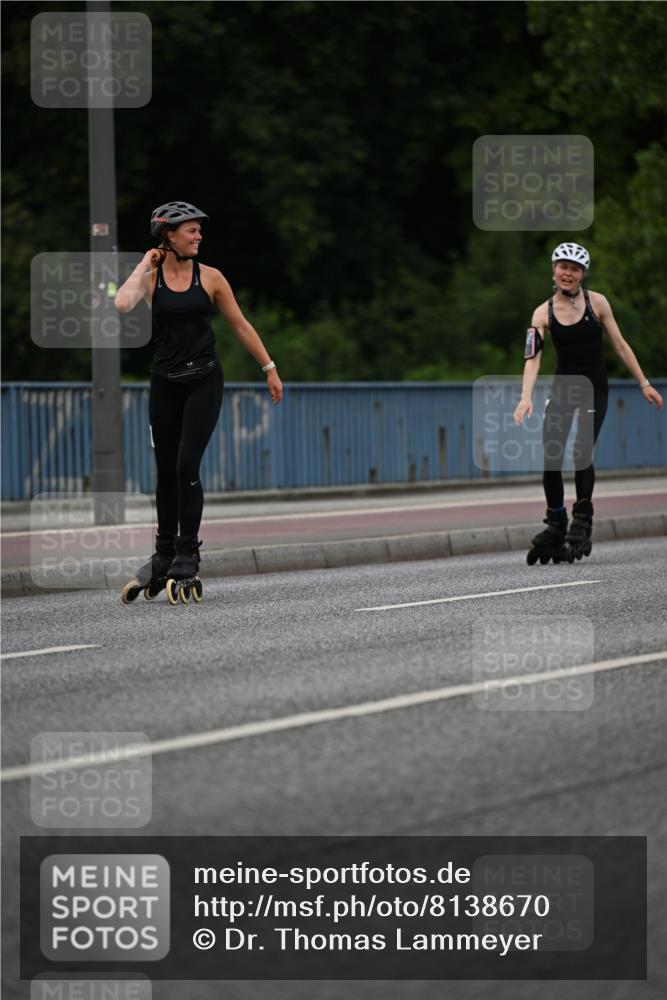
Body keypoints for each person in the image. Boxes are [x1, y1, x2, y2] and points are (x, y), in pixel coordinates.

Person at [116, 201, 283, 603]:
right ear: (168, 236)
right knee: (164, 472)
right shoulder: (151, 278)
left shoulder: (210, 278)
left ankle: (187, 553)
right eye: (190, 230)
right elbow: (121, 305)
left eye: (198, 230)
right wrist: (144, 263)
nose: (198, 236)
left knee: (186, 465)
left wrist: (269, 367)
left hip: (203, 382)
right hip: (164, 384)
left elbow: (240, 325)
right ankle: (164, 554)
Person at [514, 242, 663, 564]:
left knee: (582, 452)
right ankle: (556, 522)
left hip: (595, 388)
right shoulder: (543, 313)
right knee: (551, 455)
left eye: (575, 269)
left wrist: (644, 383)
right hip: (563, 390)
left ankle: (582, 520)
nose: (568, 273)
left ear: (583, 274)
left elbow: (621, 346)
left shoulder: (598, 304)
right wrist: (526, 397)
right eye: (563, 267)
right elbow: (532, 359)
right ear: (554, 270)